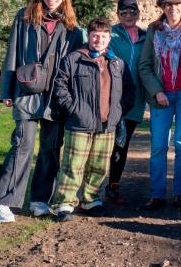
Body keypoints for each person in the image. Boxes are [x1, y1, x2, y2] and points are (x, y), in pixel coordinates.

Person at [0, 0, 83, 223]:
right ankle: (2, 203)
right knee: (22, 146)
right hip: (26, 93)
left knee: (51, 150)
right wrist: (6, 91)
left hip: (55, 98)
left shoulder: (72, 27)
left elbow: (73, 66)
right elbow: (12, 54)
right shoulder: (25, 16)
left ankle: (40, 200)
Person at [51, 18, 135, 221]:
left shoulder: (117, 63)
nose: (99, 39)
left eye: (104, 36)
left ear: (109, 38)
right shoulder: (74, 59)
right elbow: (60, 86)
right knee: (73, 165)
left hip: (107, 125)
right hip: (79, 123)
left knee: (99, 166)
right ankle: (63, 204)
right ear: (89, 36)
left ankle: (90, 200)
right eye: (95, 35)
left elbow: (130, 91)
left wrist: (117, 112)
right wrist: (74, 108)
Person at [138, 0, 181, 210]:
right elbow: (144, 66)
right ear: (163, 8)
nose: (173, 9)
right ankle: (157, 194)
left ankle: (180, 193)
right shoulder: (154, 31)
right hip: (161, 96)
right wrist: (157, 91)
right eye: (168, 5)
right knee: (158, 146)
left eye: (177, 5)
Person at [106, 0, 148, 203]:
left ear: (138, 14)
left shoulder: (146, 37)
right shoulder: (110, 34)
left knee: (122, 145)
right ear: (118, 14)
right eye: (124, 13)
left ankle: (113, 185)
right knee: (104, 143)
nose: (129, 16)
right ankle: (89, 188)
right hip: (110, 96)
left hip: (135, 99)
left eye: (133, 12)